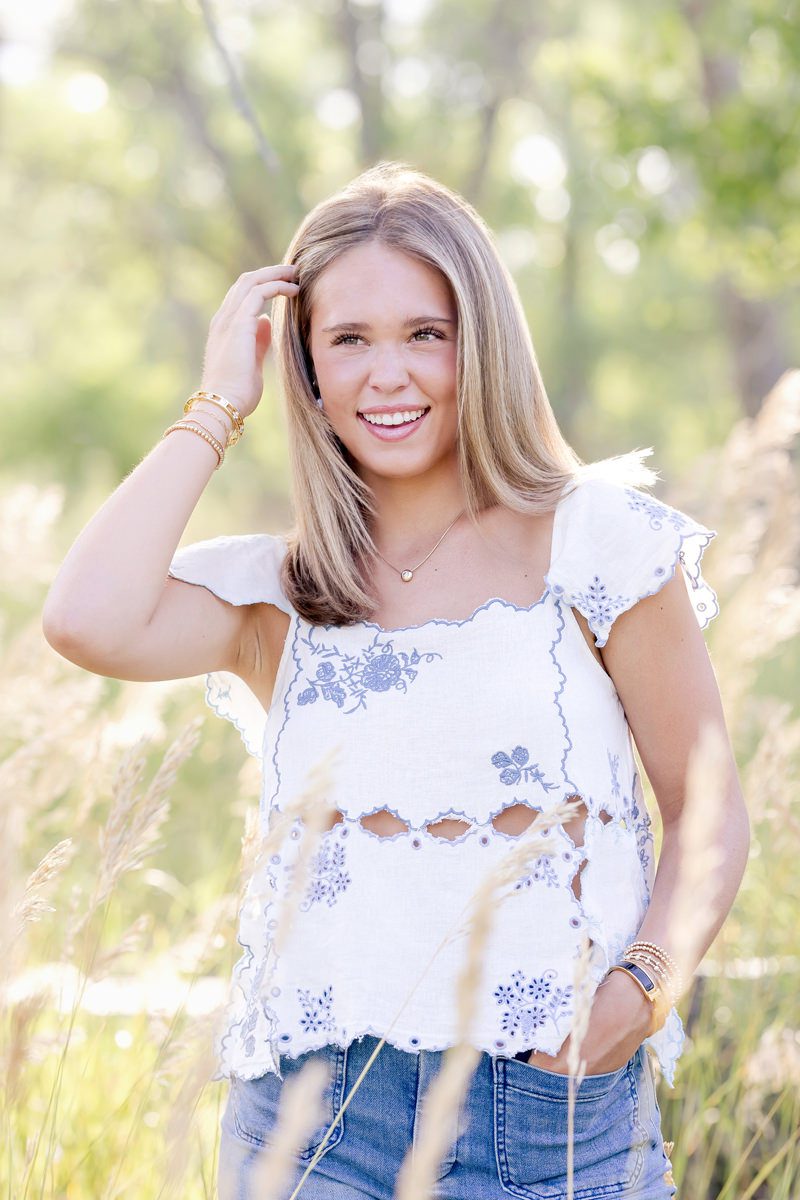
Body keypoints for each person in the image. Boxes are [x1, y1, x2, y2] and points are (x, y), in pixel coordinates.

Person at [42, 161, 750, 1200]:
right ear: (306, 366)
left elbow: (706, 811)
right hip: (311, 1126)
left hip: (548, 1114)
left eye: (426, 333)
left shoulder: (598, 544)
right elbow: (84, 620)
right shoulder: (286, 592)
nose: (387, 375)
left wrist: (638, 994)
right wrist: (217, 404)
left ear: (482, 344)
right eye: (347, 340)